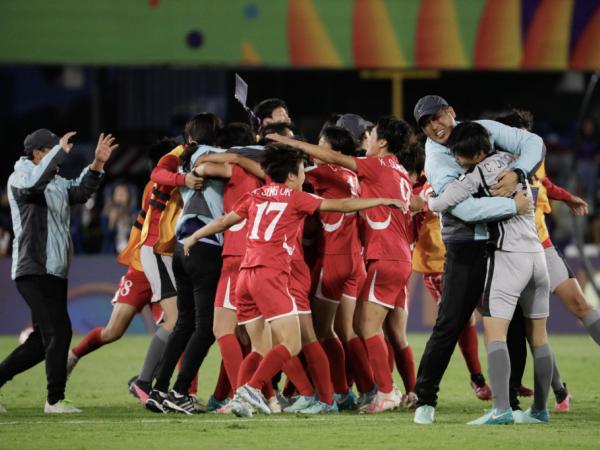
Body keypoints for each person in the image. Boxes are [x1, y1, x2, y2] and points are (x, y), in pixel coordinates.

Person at [182, 143, 406, 418]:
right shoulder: (294, 198)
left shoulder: (256, 195)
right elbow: (343, 204)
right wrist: (382, 200)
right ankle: (251, 390)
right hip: (271, 276)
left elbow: (225, 221)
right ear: (290, 176)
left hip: (245, 277)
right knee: (292, 344)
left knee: (260, 347)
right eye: (301, 172)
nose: (304, 177)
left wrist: (194, 236)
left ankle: (242, 394)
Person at [411, 95, 544, 425]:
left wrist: (517, 172)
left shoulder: (483, 130)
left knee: (509, 322)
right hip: (466, 246)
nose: (435, 126)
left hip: (502, 245)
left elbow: (534, 143)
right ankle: (425, 399)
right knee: (451, 322)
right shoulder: (437, 160)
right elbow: (461, 209)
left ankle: (510, 402)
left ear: (451, 112)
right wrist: (513, 207)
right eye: (427, 124)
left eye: (438, 117)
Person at [269, 116, 415, 413]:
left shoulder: (372, 166)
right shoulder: (398, 171)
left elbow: (330, 159)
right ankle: (374, 389)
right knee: (359, 327)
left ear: (383, 143)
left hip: (373, 256)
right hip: (382, 256)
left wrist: (285, 141)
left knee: (347, 328)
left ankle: (375, 391)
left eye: (371, 135)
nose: (366, 142)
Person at [0, 129, 117, 413]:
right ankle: (54, 400)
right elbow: (32, 187)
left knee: (43, 341)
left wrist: (97, 165)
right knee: (59, 331)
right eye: (52, 150)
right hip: (33, 267)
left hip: (55, 270)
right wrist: (58, 152)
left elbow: (79, 191)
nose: (59, 155)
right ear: (37, 152)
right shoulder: (21, 177)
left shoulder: (53, 179)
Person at [495, 109, 600, 412]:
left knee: (580, 305)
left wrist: (567, 197)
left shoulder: (533, 159)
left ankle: (556, 393)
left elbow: (546, 183)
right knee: (532, 331)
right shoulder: (494, 166)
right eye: (520, 135)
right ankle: (559, 392)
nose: (527, 140)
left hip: (543, 245)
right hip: (513, 252)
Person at [145, 113, 226, 415]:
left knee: (185, 323)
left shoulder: (184, 158)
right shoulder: (216, 156)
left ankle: (158, 389)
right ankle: (179, 392)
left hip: (182, 248)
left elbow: (158, 172)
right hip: (205, 246)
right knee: (205, 329)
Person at [406, 141, 491, 402]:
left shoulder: (444, 178)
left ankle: (508, 377)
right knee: (461, 319)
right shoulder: (413, 190)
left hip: (465, 255)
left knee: (493, 312)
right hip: (435, 266)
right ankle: (475, 378)